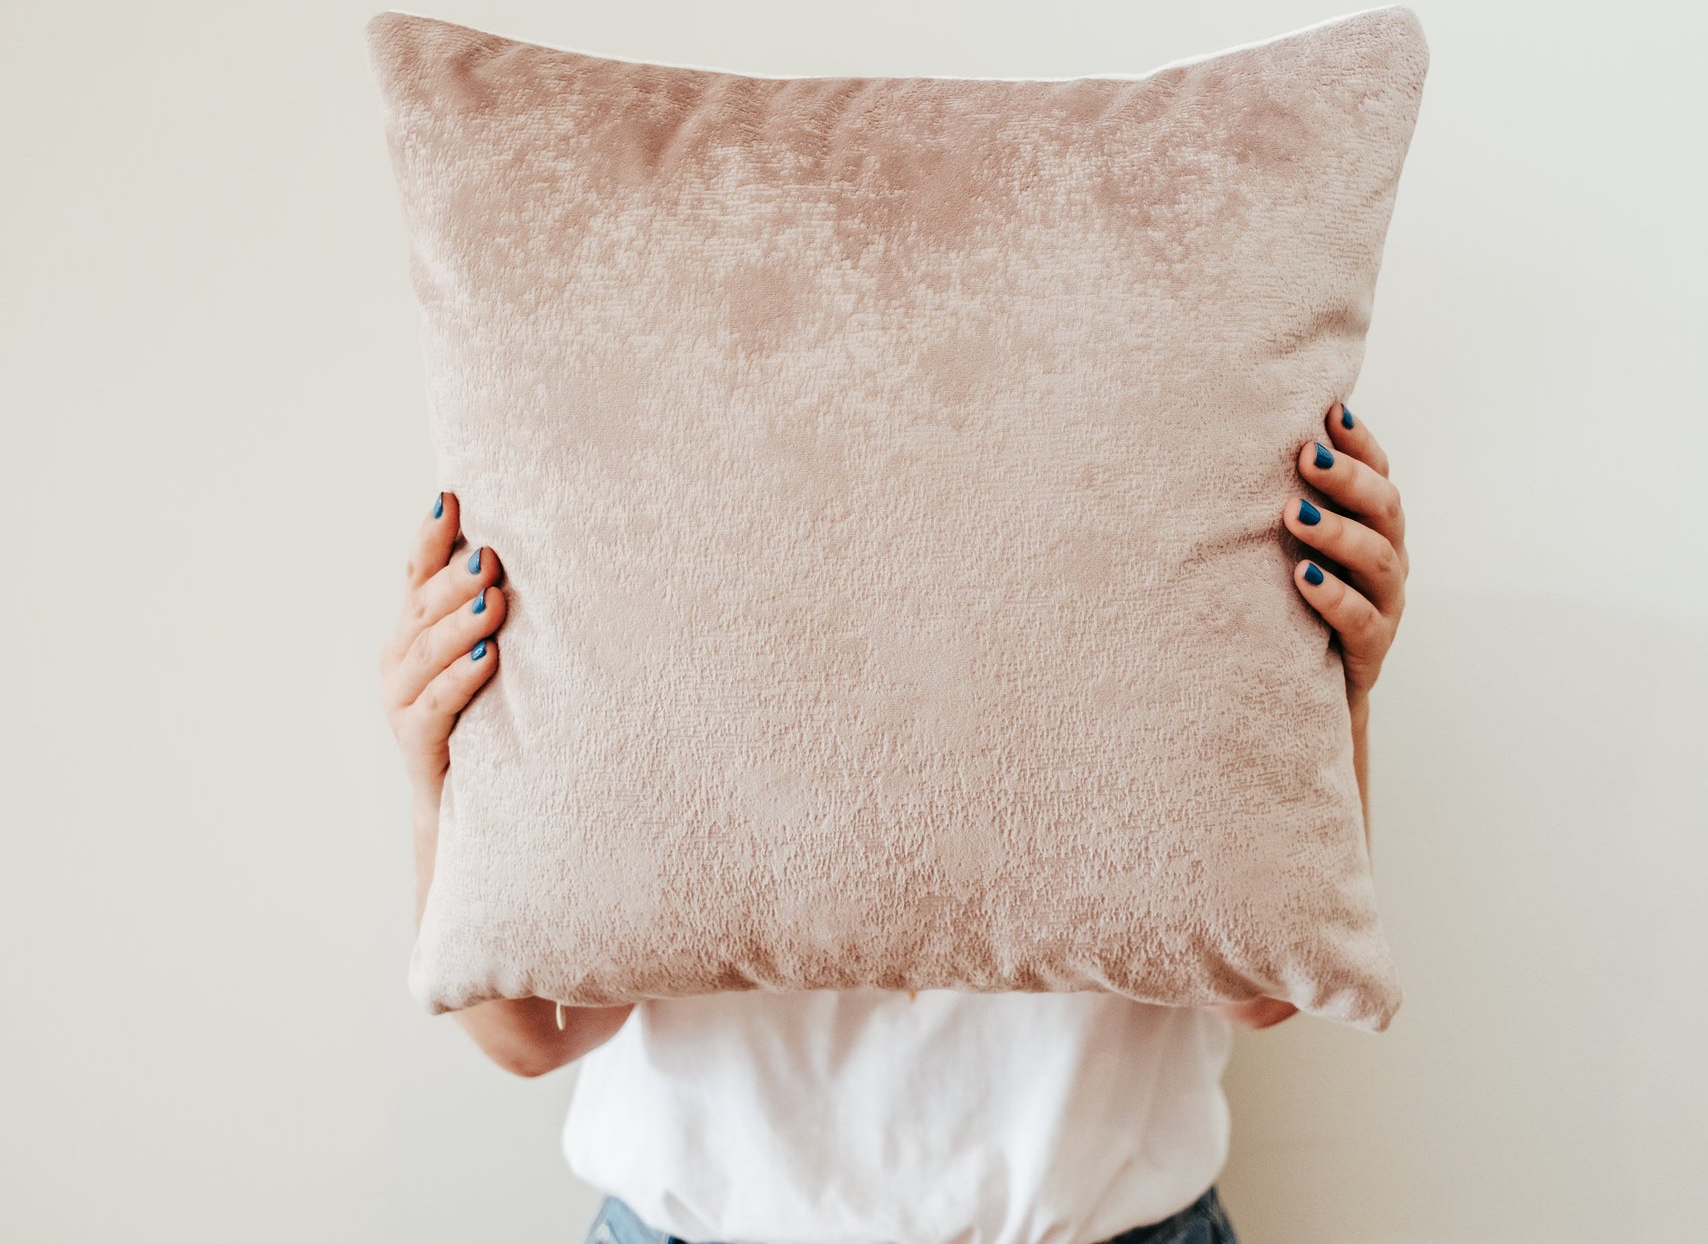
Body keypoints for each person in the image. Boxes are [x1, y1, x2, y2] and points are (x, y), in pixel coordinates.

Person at [377, 400, 1408, 1244]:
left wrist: (1324, 692)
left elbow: (1261, 988)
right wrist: (447, 783)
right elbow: (528, 1035)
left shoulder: (1122, 388)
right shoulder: (660, 418)